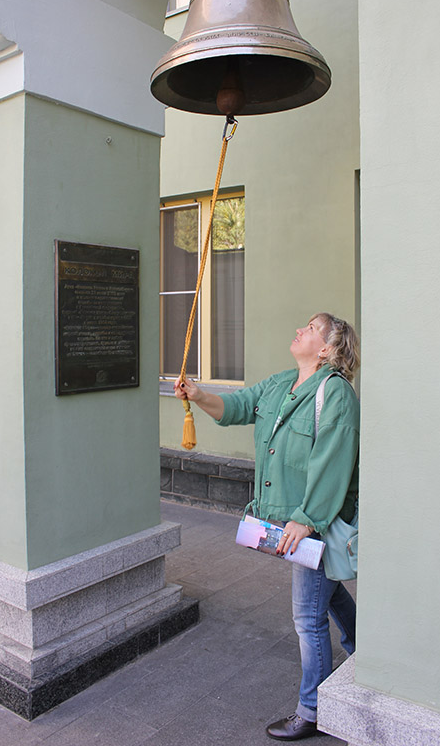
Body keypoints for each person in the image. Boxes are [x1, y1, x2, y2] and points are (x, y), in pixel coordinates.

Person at [174, 312, 360, 742]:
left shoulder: (335, 393)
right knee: (327, 591)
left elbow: (332, 462)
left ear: (327, 349)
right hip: (291, 518)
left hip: (312, 521)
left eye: (310, 328)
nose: (299, 330)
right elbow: (237, 407)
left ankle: (312, 710)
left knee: (307, 617)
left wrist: (306, 520)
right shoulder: (281, 383)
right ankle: (364, 651)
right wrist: (199, 395)